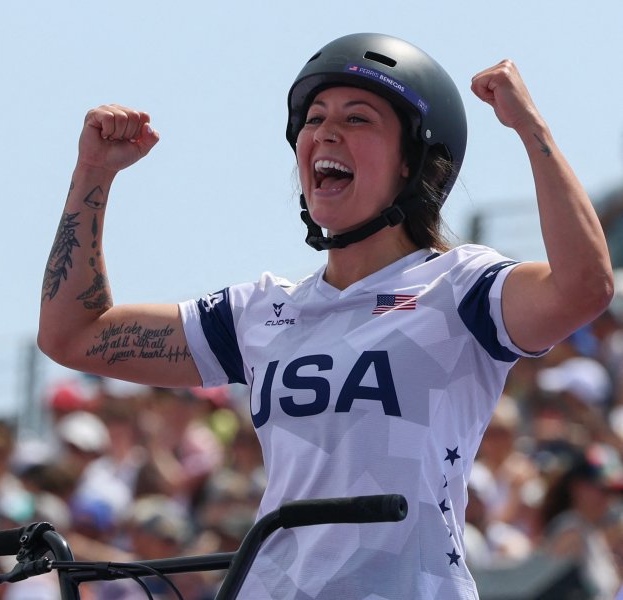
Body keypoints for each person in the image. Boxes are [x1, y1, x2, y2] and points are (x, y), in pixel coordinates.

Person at [37, 32, 613, 599]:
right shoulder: (260, 310)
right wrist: (94, 173)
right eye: (313, 119)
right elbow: (73, 335)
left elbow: (584, 287)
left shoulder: (461, 289)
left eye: (357, 118)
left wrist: (530, 128)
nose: (326, 132)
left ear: (416, 163)